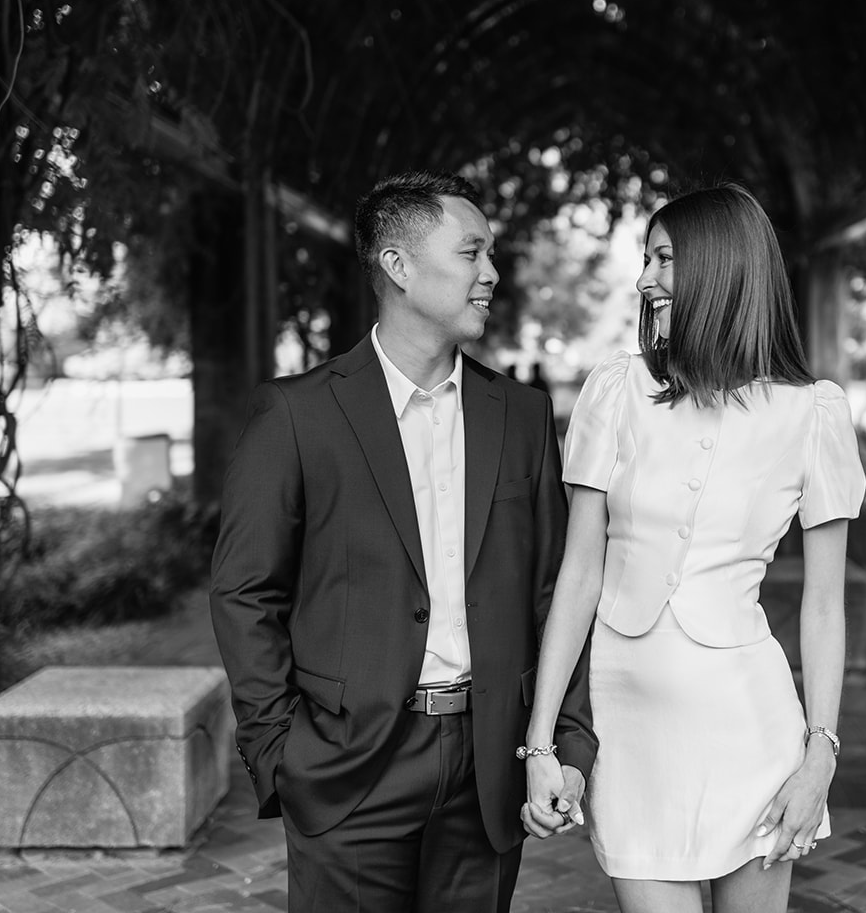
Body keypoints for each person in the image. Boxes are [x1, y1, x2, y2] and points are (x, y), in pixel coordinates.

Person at [209, 170, 596, 913]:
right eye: (472, 252)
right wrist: (279, 753)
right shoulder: (296, 415)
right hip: (346, 769)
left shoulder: (520, 415)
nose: (491, 273)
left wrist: (566, 742)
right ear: (398, 265)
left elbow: (556, 591)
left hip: (489, 765)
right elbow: (244, 591)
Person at [518, 184, 866, 913]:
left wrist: (819, 756)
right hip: (628, 733)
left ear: (720, 269)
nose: (645, 280)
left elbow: (825, 606)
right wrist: (541, 742)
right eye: (646, 258)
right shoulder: (616, 391)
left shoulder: (811, 414)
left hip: (752, 729)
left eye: (664, 259)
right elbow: (577, 577)